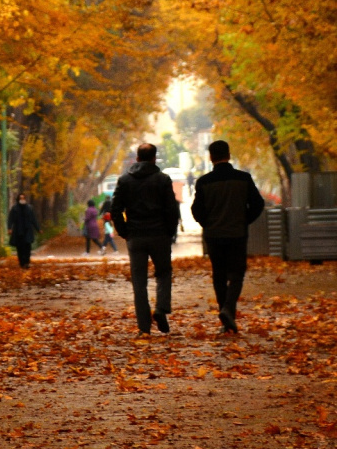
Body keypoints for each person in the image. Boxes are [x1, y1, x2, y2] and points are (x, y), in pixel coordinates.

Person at [191, 139, 265, 334]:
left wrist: (207, 224)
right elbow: (258, 204)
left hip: (214, 235)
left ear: (210, 157)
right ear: (229, 155)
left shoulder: (204, 182)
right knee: (237, 274)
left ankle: (225, 318)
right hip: (237, 233)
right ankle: (228, 309)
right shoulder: (243, 178)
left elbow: (196, 210)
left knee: (219, 275)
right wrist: (244, 220)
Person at [111, 143, 180, 334]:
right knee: (164, 273)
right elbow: (171, 209)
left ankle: (144, 326)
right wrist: (170, 232)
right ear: (154, 158)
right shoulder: (162, 179)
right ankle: (161, 309)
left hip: (136, 236)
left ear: (137, 159)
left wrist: (125, 231)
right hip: (159, 235)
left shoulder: (124, 180)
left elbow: (115, 209)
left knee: (139, 282)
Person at [8, 192, 40, 268]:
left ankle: (27, 262)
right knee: (20, 248)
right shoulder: (14, 208)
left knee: (27, 247)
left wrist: (38, 228)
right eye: (20, 198)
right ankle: (22, 262)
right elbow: (10, 219)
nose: (22, 200)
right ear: (18, 199)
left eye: (23, 198)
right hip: (18, 231)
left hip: (27, 230)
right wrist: (9, 228)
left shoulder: (29, 208)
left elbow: (33, 219)